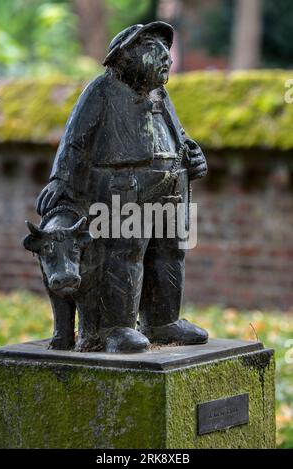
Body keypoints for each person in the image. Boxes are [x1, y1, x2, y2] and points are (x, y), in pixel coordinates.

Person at [36, 22, 209, 353]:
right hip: (122, 186)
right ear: (124, 57)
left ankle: (163, 321)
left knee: (171, 251)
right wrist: (60, 178)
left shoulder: (161, 95)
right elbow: (75, 140)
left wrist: (193, 159)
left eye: (166, 54)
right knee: (124, 254)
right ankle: (116, 326)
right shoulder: (101, 92)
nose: (166, 60)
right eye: (154, 52)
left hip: (171, 186)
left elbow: (180, 137)